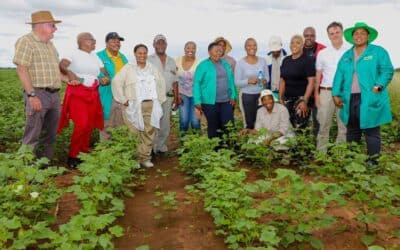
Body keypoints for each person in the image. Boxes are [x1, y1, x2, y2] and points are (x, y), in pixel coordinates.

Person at [332, 22, 394, 164]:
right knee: (352, 129)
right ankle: (352, 160)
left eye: (362, 33)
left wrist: (378, 87)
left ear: (368, 36)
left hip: (369, 97)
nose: (359, 36)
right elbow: (339, 75)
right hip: (350, 98)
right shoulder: (347, 55)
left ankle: (373, 161)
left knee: (371, 129)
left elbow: (387, 70)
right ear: (352, 37)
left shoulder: (377, 52)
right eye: (356, 33)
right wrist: (336, 94)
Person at [13, 10, 62, 160]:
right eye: (52, 25)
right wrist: (32, 95)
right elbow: (22, 68)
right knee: (32, 133)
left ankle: (44, 167)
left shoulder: (50, 45)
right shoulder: (26, 41)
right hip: (38, 93)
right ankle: (25, 170)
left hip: (54, 95)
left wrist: (69, 79)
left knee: (50, 134)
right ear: (41, 26)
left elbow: (55, 70)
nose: (55, 29)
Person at [112, 44, 166, 168]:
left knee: (149, 131)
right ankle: (134, 159)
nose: (142, 55)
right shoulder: (129, 68)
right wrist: (123, 99)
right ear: (135, 54)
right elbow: (116, 81)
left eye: (144, 53)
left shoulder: (152, 68)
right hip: (133, 105)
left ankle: (145, 158)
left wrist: (159, 99)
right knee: (134, 132)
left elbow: (161, 82)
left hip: (150, 104)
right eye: (139, 53)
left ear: (147, 54)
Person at [58, 32, 106, 168]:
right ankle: (73, 156)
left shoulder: (95, 56)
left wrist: (104, 77)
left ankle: (83, 153)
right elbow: (62, 65)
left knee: (89, 125)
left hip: (93, 93)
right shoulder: (73, 53)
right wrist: (70, 73)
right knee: (82, 124)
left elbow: (103, 72)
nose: (95, 42)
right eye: (92, 39)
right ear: (82, 41)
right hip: (78, 92)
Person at [314, 22, 348, 151]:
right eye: (331, 33)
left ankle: (340, 154)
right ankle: (321, 154)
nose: (334, 35)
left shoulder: (350, 51)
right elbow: (318, 73)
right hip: (326, 92)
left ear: (342, 32)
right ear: (328, 35)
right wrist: (317, 94)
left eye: (337, 32)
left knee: (343, 125)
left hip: (344, 93)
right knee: (323, 124)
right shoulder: (323, 53)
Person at [193, 42, 238, 138]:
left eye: (220, 51)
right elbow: (196, 83)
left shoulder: (225, 64)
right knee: (214, 125)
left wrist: (233, 96)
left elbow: (231, 81)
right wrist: (197, 101)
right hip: (209, 102)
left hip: (226, 101)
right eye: (216, 51)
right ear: (209, 52)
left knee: (228, 124)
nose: (218, 53)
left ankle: (228, 147)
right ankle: (215, 149)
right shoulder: (203, 65)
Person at [148, 34, 178, 154]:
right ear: (154, 45)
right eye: (158, 43)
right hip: (153, 97)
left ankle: (161, 146)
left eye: (163, 43)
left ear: (166, 45)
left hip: (168, 96)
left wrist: (177, 98)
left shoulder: (171, 61)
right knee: (153, 122)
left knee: (165, 123)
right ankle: (151, 148)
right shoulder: (149, 59)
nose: (160, 45)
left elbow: (175, 81)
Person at [279, 35, 315, 130]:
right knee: (287, 128)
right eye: (292, 42)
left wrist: (304, 101)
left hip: (301, 100)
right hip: (287, 100)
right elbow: (282, 80)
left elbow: (311, 82)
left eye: (298, 42)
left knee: (300, 129)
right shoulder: (286, 60)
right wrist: (280, 98)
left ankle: (301, 145)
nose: (294, 45)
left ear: (303, 45)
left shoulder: (308, 60)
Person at [97, 32, 128, 140]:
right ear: (106, 43)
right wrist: (101, 78)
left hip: (121, 96)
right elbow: (95, 74)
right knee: (106, 125)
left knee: (121, 125)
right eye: (113, 41)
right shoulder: (99, 56)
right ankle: (106, 153)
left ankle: (118, 153)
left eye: (118, 41)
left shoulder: (122, 57)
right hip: (106, 95)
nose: (117, 43)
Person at [235, 38, 269, 129]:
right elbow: (237, 82)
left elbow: (267, 78)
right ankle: (249, 141)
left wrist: (264, 80)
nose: (252, 47)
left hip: (261, 96)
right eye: (249, 45)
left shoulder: (263, 61)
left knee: (261, 121)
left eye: (254, 45)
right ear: (245, 48)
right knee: (249, 122)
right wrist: (248, 81)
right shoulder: (240, 63)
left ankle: (261, 142)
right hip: (247, 96)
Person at [303, 27, 326, 137]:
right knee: (302, 120)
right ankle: (304, 147)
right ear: (303, 36)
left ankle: (317, 146)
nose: (309, 38)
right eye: (306, 35)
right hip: (304, 90)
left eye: (311, 35)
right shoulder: (299, 49)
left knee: (318, 120)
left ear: (315, 36)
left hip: (318, 90)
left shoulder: (322, 50)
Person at [175, 41, 201, 133]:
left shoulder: (199, 63)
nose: (190, 50)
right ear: (184, 49)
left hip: (196, 95)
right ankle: (184, 144)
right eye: (188, 48)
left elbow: (202, 82)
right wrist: (177, 95)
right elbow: (174, 79)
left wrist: (200, 100)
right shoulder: (177, 61)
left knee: (195, 122)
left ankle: (197, 144)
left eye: (193, 48)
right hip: (182, 95)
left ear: (196, 50)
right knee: (184, 121)